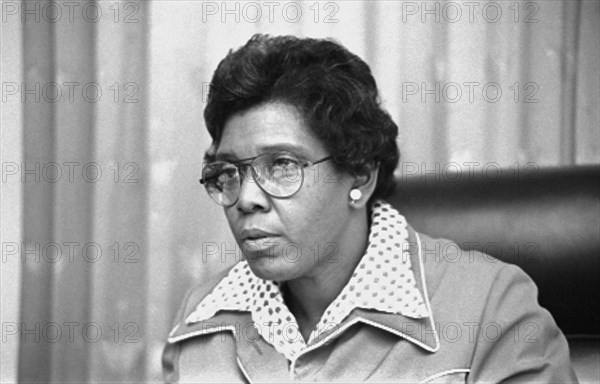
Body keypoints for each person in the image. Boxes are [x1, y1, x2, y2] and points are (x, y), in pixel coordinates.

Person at [162, 34, 578, 383]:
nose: (246, 199)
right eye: (229, 171)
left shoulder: (493, 308)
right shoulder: (202, 317)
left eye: (282, 165)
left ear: (360, 175)